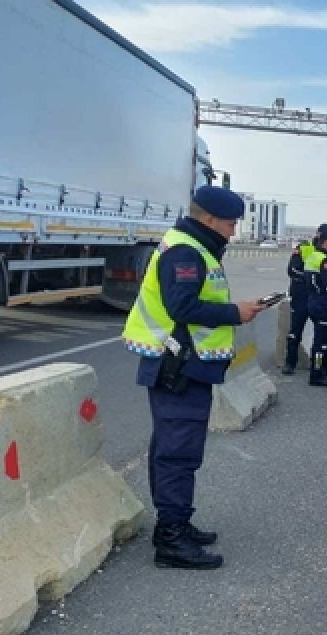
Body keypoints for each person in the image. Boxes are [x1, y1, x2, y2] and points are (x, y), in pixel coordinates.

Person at [122, 185, 264, 569]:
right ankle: (171, 540)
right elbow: (182, 306)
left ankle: (174, 524)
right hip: (179, 365)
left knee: (173, 448)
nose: (233, 231)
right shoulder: (186, 251)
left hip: (185, 363)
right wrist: (236, 313)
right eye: (230, 223)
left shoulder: (193, 246)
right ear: (209, 219)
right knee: (178, 453)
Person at [281, 225, 325, 375]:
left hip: (319, 298)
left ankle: (320, 367)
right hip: (301, 296)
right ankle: (289, 363)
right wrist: (311, 279)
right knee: (295, 331)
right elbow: (292, 270)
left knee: (322, 336)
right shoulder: (304, 248)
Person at [304, 226, 327, 386]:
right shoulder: (324, 261)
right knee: (321, 342)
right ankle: (316, 373)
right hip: (323, 305)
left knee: (325, 339)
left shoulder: (312, 257)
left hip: (313, 301)